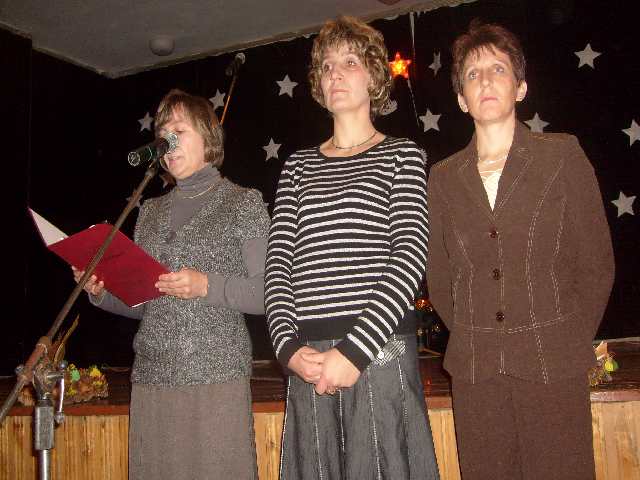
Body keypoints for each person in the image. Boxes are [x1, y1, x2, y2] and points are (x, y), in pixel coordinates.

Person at [426, 21, 614, 480]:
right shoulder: (443, 179)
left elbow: (596, 265)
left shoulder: (561, 155)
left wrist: (564, 338)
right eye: (472, 74)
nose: (486, 81)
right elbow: (441, 279)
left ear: (521, 87)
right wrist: (478, 335)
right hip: (477, 375)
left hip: (554, 367)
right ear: (461, 99)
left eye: (498, 69)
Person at [265, 16, 440, 480]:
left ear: (375, 76)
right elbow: (277, 265)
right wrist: (288, 349)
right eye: (326, 66)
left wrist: (355, 351)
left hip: (377, 352)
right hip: (308, 358)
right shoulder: (297, 167)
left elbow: (409, 256)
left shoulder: (402, 155)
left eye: (349, 63)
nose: (335, 74)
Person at [72, 89, 270, 480]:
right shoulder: (149, 212)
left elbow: (268, 292)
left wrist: (206, 285)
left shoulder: (242, 202)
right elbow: (148, 302)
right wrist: (102, 292)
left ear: (208, 137)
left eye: (179, 130)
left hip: (215, 377)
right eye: (163, 133)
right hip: (152, 376)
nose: (168, 140)